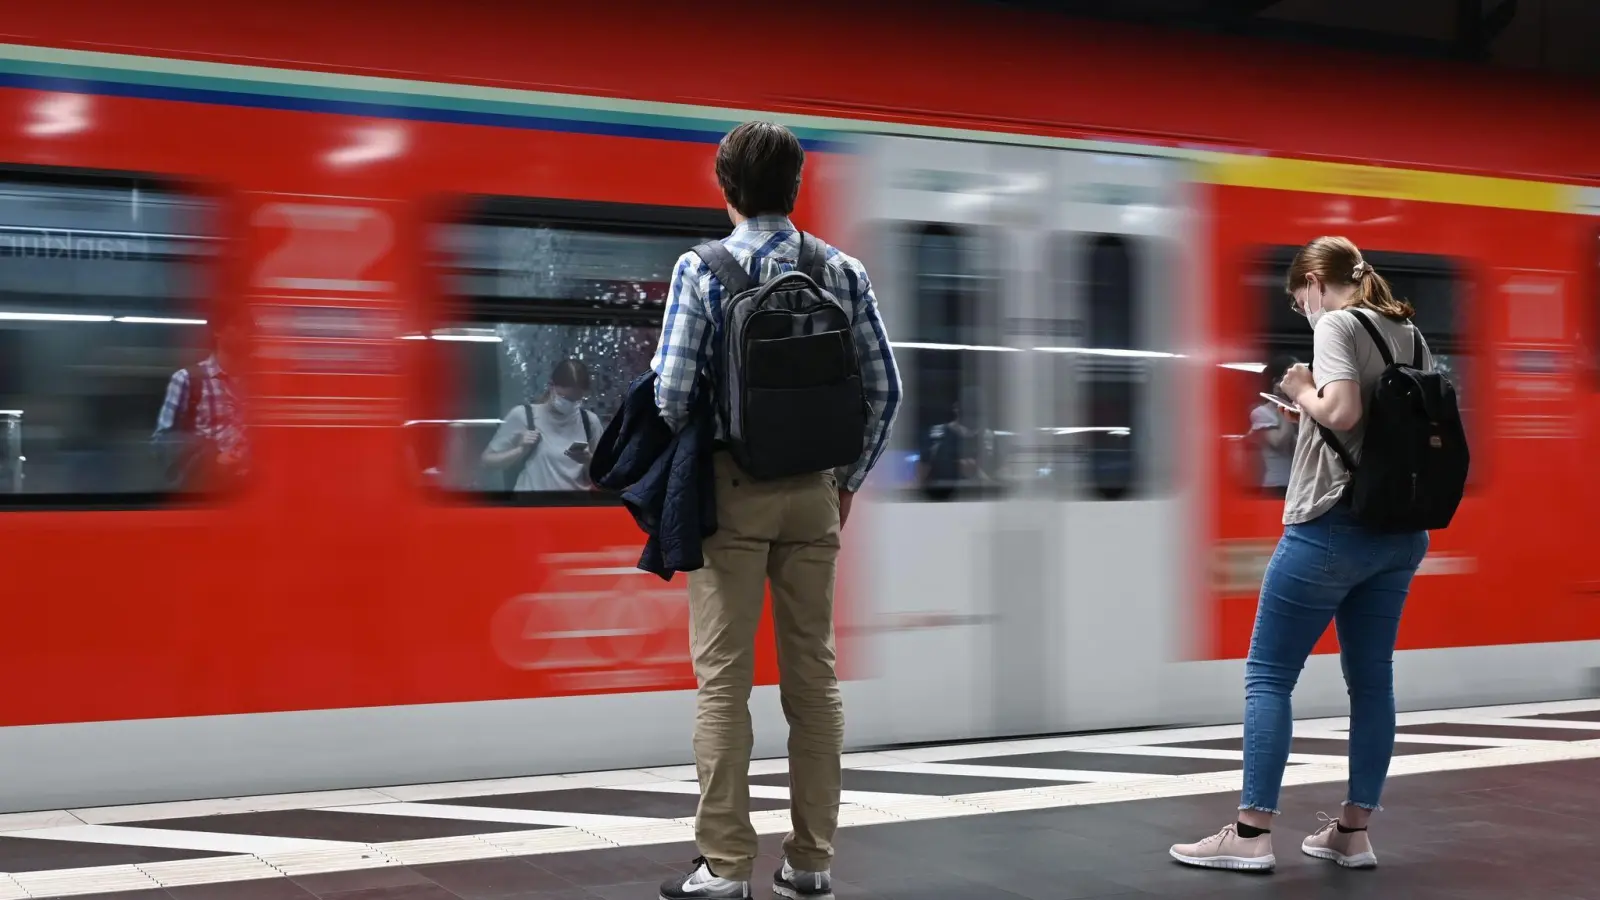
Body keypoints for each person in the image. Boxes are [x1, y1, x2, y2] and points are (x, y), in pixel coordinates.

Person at [653, 121, 900, 900]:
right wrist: (847, 481)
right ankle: (812, 859)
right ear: (796, 188)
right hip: (814, 497)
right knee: (813, 678)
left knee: (723, 682)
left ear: (726, 189)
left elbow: (670, 394)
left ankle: (725, 866)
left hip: (731, 495)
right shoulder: (842, 271)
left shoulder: (702, 269)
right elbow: (884, 389)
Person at [1170, 236, 1432, 872]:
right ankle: (1352, 832)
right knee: (1372, 682)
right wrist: (1311, 409)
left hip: (1330, 527)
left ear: (1315, 283)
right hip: (1398, 534)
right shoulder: (1410, 333)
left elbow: (1341, 411)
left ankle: (1251, 833)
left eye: (1298, 300)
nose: (1301, 311)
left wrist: (1302, 385)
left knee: (1269, 676)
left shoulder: (1337, 323)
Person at [152, 314, 248, 490]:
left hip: (251, 488)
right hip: (207, 488)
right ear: (218, 331)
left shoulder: (260, 384)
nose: (245, 333)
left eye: (250, 327)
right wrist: (213, 458)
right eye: (237, 325)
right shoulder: (187, 379)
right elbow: (162, 440)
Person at [481, 358, 603, 492]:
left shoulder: (590, 422)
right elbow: (487, 461)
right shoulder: (524, 416)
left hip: (575, 507)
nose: (570, 403)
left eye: (576, 399)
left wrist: (588, 460)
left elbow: (605, 476)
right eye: (565, 398)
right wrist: (520, 450)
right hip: (532, 506)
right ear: (551, 386)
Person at [1248, 356, 1300, 497]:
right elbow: (1279, 441)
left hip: (1296, 485)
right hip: (1276, 486)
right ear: (1276, 382)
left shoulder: (1298, 410)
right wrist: (1282, 404)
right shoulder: (1261, 413)